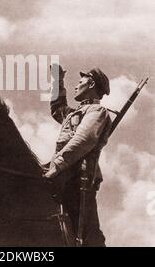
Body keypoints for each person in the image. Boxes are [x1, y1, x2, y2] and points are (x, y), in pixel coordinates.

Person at [44, 65, 112, 247]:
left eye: (80, 82)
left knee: (88, 239)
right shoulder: (75, 113)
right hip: (64, 176)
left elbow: (84, 140)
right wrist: (57, 81)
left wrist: (56, 166)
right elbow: (57, 108)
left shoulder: (97, 112)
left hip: (78, 181)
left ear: (90, 83)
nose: (75, 86)